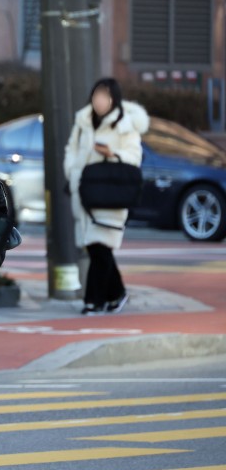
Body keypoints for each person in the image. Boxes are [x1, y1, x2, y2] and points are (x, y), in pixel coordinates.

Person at [64, 78, 149, 315]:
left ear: (115, 99)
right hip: (85, 192)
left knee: (100, 246)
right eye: (97, 96)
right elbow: (71, 149)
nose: (100, 101)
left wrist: (112, 153)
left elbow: (134, 157)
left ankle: (93, 300)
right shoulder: (83, 120)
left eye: (105, 96)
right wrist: (71, 170)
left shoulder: (125, 124)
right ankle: (117, 293)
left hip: (112, 193)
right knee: (95, 246)